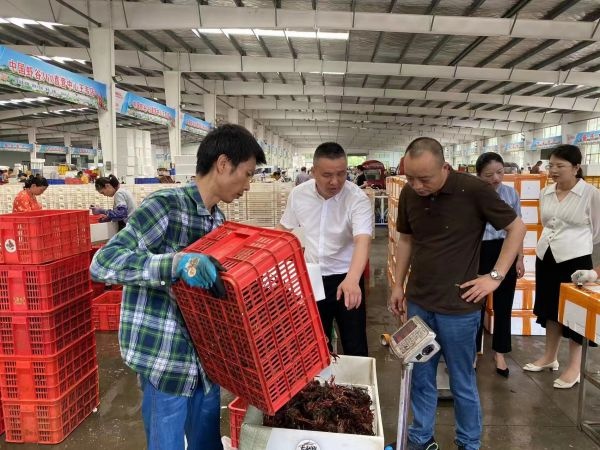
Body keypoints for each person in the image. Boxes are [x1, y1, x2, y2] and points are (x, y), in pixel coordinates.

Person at [90, 124, 266, 450]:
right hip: (166, 360)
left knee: (206, 444)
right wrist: (176, 264)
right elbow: (104, 262)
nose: (248, 185)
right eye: (247, 174)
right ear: (223, 164)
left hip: (205, 363)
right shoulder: (166, 206)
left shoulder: (217, 221)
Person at [388, 137, 525, 450]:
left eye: (425, 178)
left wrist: (495, 276)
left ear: (444, 168)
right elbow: (406, 239)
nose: (417, 185)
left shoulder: (473, 190)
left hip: (460, 308)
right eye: (410, 177)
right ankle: (421, 438)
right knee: (420, 377)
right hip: (419, 303)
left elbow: (517, 228)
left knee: (462, 380)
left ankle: (468, 442)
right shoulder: (410, 193)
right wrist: (397, 285)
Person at [278, 142, 373, 357]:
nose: (335, 181)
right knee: (314, 345)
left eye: (341, 174)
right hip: (312, 279)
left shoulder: (356, 198)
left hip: (347, 277)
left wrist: (352, 279)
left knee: (354, 342)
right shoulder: (299, 195)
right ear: (313, 172)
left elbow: (362, 240)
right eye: (327, 175)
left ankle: (356, 377)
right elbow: (283, 231)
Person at [524, 145, 600, 389]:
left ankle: (574, 367)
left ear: (576, 168)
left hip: (576, 260)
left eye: (560, 166)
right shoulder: (546, 192)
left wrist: (594, 270)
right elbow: (546, 223)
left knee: (576, 314)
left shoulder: (591, 194)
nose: (554, 170)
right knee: (549, 308)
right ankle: (550, 356)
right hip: (546, 257)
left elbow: (597, 233)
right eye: (551, 165)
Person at [474, 152, 525, 378]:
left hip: (506, 250)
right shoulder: (472, 194)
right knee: (475, 304)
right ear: (478, 175)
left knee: (504, 304)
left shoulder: (510, 194)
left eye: (500, 172)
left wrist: (520, 257)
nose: (495, 178)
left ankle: (500, 353)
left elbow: (518, 228)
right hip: (479, 251)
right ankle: (473, 351)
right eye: (489, 175)